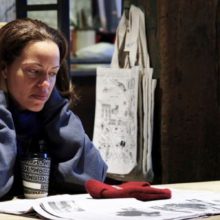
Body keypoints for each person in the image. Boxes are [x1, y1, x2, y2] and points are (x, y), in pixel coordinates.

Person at [0, 18, 108, 199]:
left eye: (52, 73)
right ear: (3, 69)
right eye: (33, 71)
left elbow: (93, 179)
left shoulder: (52, 111)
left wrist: (56, 106)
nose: (45, 85)